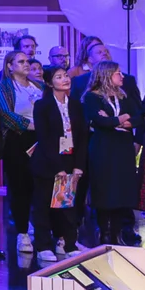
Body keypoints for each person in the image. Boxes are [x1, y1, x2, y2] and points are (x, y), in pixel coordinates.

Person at [31, 64, 87, 262]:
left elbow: (82, 137)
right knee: (44, 205)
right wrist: (58, 168)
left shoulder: (76, 105)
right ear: (49, 82)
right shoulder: (42, 105)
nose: (65, 79)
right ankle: (43, 245)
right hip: (48, 163)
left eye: (65, 75)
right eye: (58, 77)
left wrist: (79, 164)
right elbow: (44, 139)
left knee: (69, 205)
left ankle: (69, 243)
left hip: (71, 159)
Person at [83, 61, 141, 247]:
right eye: (118, 73)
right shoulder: (92, 98)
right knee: (104, 188)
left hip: (123, 147)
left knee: (121, 190)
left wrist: (119, 121)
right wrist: (119, 119)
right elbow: (99, 121)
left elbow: (139, 117)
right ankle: (103, 231)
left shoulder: (123, 96)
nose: (122, 76)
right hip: (103, 147)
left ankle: (117, 233)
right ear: (106, 75)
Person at [0, 49, 43, 263]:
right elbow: (5, 114)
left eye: (28, 61)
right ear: (9, 66)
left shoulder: (39, 86)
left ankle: (44, 232)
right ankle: (23, 233)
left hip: (41, 141)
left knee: (41, 187)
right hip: (18, 140)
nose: (26, 64)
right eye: (21, 61)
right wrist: (31, 124)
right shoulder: (3, 87)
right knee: (20, 187)